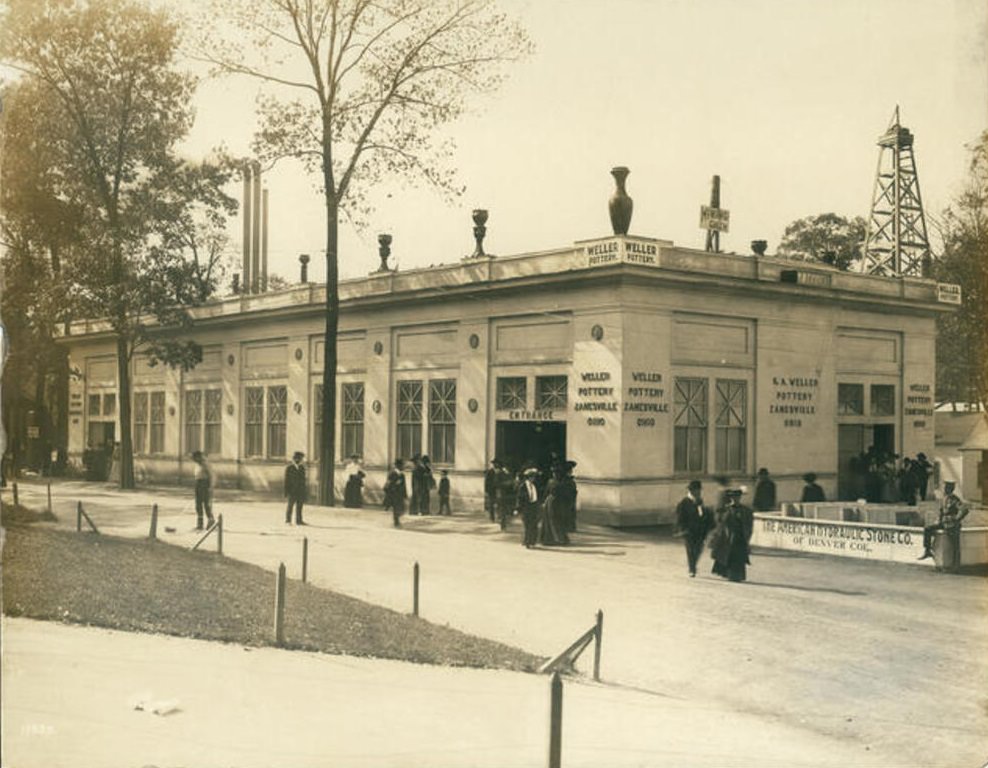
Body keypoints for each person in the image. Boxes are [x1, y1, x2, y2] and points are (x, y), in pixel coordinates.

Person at [919, 481, 969, 564]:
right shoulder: (944, 499)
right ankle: (927, 550)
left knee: (955, 546)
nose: (945, 489)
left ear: (951, 489)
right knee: (927, 529)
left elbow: (964, 510)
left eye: (947, 488)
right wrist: (939, 520)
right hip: (943, 523)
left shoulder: (954, 499)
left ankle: (956, 566)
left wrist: (956, 518)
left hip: (952, 525)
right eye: (945, 487)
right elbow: (941, 511)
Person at [710, 488, 754, 582]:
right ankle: (730, 574)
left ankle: (738, 575)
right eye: (733, 497)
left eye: (737, 497)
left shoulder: (745, 510)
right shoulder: (726, 509)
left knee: (739, 556)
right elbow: (720, 521)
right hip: (728, 536)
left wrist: (747, 536)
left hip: (740, 536)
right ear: (731, 498)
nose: (735, 499)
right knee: (729, 555)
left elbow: (749, 523)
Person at [675, 480, 713, 577]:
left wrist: (708, 525)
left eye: (699, 491)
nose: (698, 493)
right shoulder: (684, 503)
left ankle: (693, 565)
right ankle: (692, 568)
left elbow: (704, 514)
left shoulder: (700, 501)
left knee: (698, 549)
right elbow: (680, 517)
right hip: (689, 531)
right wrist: (682, 529)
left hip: (700, 531)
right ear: (691, 491)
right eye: (697, 491)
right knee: (690, 549)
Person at [516, 467, 541, 548]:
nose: (533, 479)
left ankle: (532, 541)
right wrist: (518, 508)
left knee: (533, 524)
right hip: (526, 508)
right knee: (527, 525)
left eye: (534, 477)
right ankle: (527, 542)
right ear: (528, 477)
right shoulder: (523, 486)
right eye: (532, 477)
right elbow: (520, 498)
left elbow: (536, 496)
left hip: (533, 507)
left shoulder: (534, 485)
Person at [191, 451, 215, 531]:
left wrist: (211, 487)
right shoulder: (197, 465)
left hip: (204, 484)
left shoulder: (206, 464)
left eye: (195, 458)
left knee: (206, 504)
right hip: (198, 484)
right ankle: (200, 524)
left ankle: (211, 521)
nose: (194, 460)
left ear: (199, 457)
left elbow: (212, 475)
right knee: (198, 505)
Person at [284, 451, 307, 525]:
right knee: (290, 506)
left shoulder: (302, 468)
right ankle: (288, 520)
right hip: (292, 491)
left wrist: (304, 491)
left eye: (301, 459)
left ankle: (299, 520)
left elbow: (303, 481)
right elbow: (286, 480)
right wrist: (286, 492)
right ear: (295, 459)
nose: (301, 460)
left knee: (299, 506)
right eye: (300, 459)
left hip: (300, 491)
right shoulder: (289, 468)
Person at [384, 459, 407, 528]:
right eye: (402, 465)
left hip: (400, 494)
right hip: (393, 494)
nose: (403, 467)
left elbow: (404, 486)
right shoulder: (392, 474)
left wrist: (405, 495)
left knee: (400, 508)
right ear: (398, 466)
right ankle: (396, 522)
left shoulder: (402, 475)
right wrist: (395, 485)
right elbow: (387, 485)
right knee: (396, 508)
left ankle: (397, 521)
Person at [495, 462, 515, 530]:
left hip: (509, 495)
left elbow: (512, 483)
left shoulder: (509, 474)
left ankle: (506, 523)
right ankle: (503, 525)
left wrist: (513, 483)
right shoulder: (499, 474)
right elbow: (497, 484)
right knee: (503, 510)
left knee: (507, 510)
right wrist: (507, 484)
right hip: (502, 494)